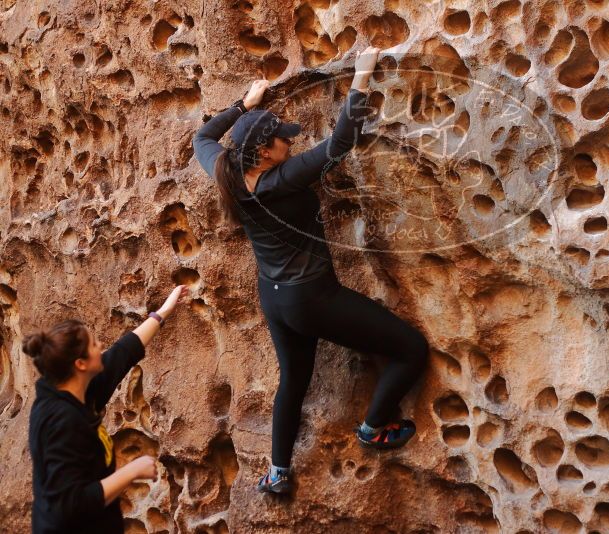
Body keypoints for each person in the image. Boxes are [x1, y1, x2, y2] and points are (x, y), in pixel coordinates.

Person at [192, 47, 429, 495]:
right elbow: (340, 143)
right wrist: (362, 75)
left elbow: (201, 138)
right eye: (282, 138)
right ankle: (375, 427)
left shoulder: (225, 170)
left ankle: (278, 473)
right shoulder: (284, 180)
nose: (290, 141)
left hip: (276, 298)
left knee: (293, 381)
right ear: (263, 151)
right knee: (411, 349)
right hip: (313, 298)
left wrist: (244, 105)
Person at [25, 285, 189, 533]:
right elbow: (69, 504)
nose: (101, 345)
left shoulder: (79, 392)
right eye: (94, 344)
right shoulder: (62, 422)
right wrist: (131, 471)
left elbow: (123, 354)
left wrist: (163, 311)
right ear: (80, 364)